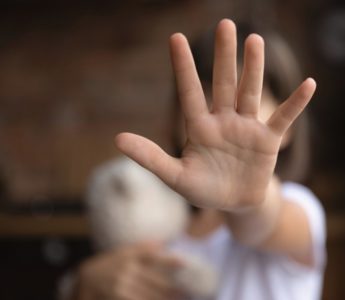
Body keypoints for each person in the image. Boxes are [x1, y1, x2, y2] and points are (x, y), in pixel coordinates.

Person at [72, 19, 326, 300]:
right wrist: (82, 287)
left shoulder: (300, 209)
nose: (219, 114)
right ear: (172, 117)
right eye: (205, 93)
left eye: (242, 102)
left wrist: (246, 199)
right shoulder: (159, 223)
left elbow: (263, 222)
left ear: (287, 128)